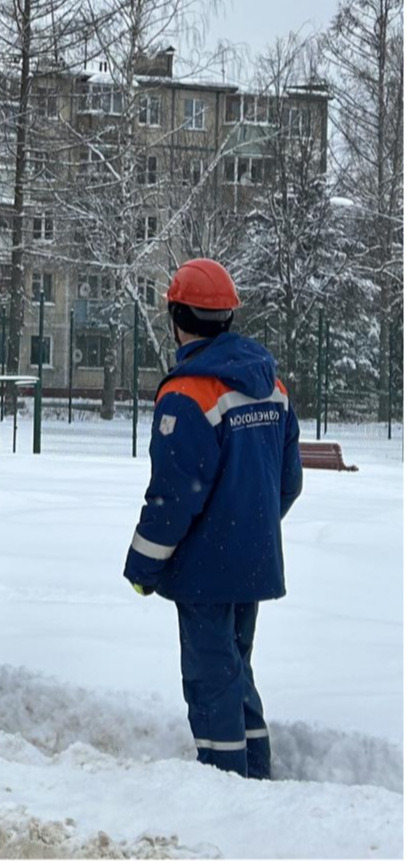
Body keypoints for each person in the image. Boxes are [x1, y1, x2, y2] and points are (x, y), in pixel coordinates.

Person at [124, 258, 303, 779]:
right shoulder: (273, 386)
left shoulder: (187, 393)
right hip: (254, 563)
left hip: (205, 570)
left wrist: (142, 567)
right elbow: (287, 483)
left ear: (178, 315)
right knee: (237, 670)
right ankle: (255, 771)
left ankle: (227, 788)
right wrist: (250, 529)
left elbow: (173, 497)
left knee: (210, 678)